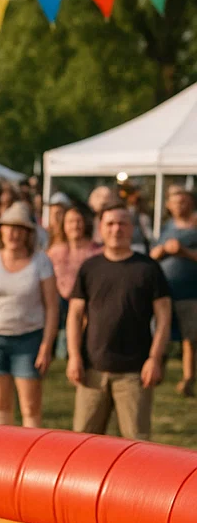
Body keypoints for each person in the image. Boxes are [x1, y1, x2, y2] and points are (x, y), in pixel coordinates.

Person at [67, 206, 171, 440]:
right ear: (100, 229)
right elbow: (74, 314)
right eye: (110, 224)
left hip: (134, 373)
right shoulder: (89, 268)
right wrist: (74, 356)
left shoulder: (148, 268)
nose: (116, 229)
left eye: (122, 223)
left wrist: (155, 358)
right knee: (83, 443)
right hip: (93, 369)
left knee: (137, 445)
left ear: (132, 229)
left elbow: (164, 316)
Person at [0, 201, 59, 427]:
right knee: (1, 406)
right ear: (0, 230)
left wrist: (46, 346)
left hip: (29, 339)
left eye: (19, 228)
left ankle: (33, 457)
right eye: (9, 227)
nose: (13, 233)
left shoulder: (41, 261)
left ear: (28, 233)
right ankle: (4, 458)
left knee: (30, 408)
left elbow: (52, 306)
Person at [150, 184, 197, 396]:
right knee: (162, 333)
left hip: (191, 292)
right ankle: (156, 372)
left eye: (184, 201)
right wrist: (160, 252)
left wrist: (184, 252)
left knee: (191, 338)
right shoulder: (164, 228)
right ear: (169, 205)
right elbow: (151, 255)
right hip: (165, 292)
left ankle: (188, 379)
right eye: (176, 201)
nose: (180, 205)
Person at [46, 204, 100, 341]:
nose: (75, 226)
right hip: (59, 306)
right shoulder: (54, 252)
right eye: (70, 222)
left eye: (78, 221)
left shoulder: (97, 252)